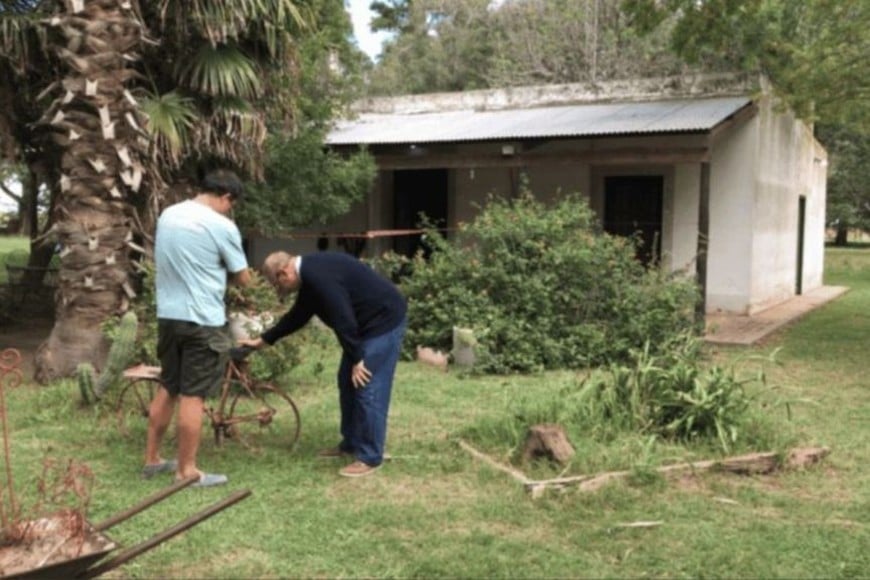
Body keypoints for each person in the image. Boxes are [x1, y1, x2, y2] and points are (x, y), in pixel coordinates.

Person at [239, 251, 407, 478]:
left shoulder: (316, 275)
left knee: (368, 386)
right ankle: (352, 443)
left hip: (383, 322)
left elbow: (343, 317)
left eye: (278, 284)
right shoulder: (309, 277)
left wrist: (358, 359)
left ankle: (370, 456)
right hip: (364, 327)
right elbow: (298, 315)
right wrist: (264, 340)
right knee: (346, 381)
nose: (281, 290)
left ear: (284, 273)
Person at [143, 169, 251, 488]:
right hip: (202, 320)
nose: (230, 210)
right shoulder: (221, 225)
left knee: (169, 385)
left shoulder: (168, 214)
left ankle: (152, 459)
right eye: (231, 204)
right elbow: (243, 276)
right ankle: (187, 472)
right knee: (194, 395)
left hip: (168, 317)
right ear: (226, 197)